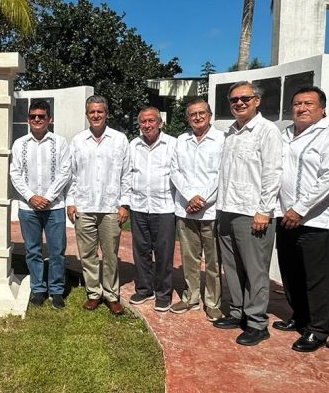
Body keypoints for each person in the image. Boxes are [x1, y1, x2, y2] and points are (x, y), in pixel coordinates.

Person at [271, 86, 329, 352]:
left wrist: (300, 209)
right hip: (286, 217)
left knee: (316, 278)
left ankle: (318, 330)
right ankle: (300, 317)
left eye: (309, 103)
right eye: (297, 103)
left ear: (322, 108)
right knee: (292, 273)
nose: (302, 108)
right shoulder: (285, 135)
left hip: (317, 222)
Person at [214, 82, 283, 346]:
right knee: (232, 266)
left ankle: (257, 323)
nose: (239, 103)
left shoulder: (267, 131)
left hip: (252, 213)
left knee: (255, 270)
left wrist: (264, 211)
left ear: (257, 101)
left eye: (245, 98)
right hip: (227, 209)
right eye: (234, 100)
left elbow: (272, 173)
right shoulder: (231, 133)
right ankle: (238, 312)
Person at [67, 95, 131, 315]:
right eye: (92, 112)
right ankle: (93, 293)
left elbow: (126, 175)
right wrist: (70, 202)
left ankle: (112, 295)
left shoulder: (120, 139)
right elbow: (72, 175)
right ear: (87, 115)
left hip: (110, 207)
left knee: (111, 254)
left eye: (100, 111)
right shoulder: (77, 141)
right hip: (84, 206)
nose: (96, 115)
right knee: (88, 255)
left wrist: (124, 204)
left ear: (107, 114)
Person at [9, 99, 72, 308]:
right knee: (33, 250)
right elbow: (15, 174)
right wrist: (31, 196)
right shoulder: (20, 144)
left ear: (49, 119)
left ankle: (56, 291)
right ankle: (38, 289)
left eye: (41, 116)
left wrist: (48, 197)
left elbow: (65, 171)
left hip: (54, 207)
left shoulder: (60, 142)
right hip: (28, 207)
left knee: (56, 251)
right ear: (28, 119)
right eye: (33, 116)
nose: (37, 119)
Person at [170, 99, 225, 320]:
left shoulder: (222, 139)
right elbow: (175, 171)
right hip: (185, 208)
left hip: (211, 210)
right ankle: (191, 297)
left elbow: (222, 173)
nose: (198, 117)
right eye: (193, 114)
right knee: (189, 258)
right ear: (188, 118)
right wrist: (190, 197)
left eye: (202, 113)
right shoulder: (181, 141)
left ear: (210, 115)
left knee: (213, 261)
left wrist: (202, 200)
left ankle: (212, 302)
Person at [124, 107, 176, 312]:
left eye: (151, 121)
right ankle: (144, 288)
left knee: (164, 253)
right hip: (139, 206)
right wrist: (126, 202)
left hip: (164, 207)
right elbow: (128, 174)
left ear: (160, 123)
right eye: (143, 122)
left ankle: (163, 293)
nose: (147, 125)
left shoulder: (173, 144)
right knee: (141, 251)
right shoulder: (133, 145)